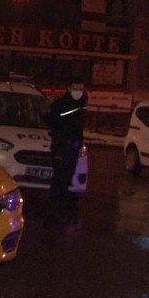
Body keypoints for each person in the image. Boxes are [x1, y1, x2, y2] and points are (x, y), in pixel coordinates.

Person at [44, 77, 87, 228]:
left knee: (66, 179)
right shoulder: (61, 105)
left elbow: (78, 128)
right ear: (69, 88)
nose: (79, 91)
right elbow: (52, 122)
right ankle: (54, 212)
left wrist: (78, 144)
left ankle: (60, 211)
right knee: (60, 180)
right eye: (76, 87)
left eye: (81, 88)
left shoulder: (81, 105)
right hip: (62, 147)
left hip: (73, 147)